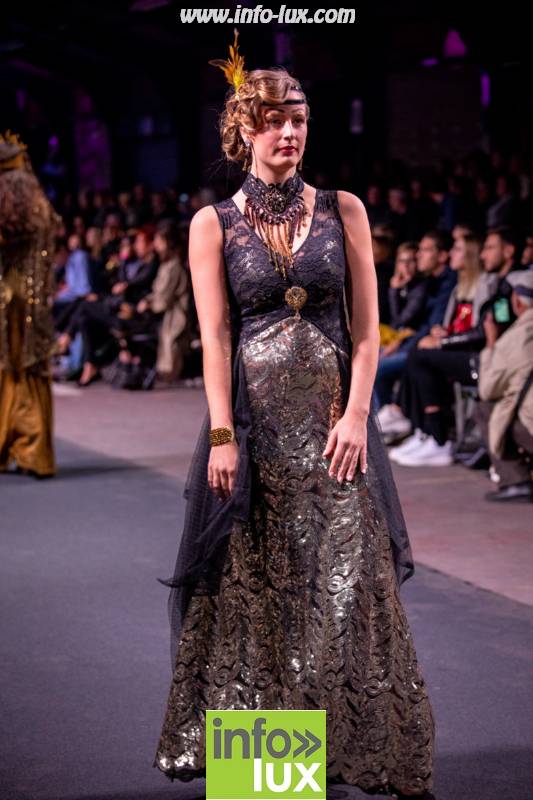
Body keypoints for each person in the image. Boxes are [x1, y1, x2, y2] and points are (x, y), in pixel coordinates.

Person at [152, 42, 435, 800]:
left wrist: (356, 416)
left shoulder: (345, 209)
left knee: (350, 587)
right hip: (254, 433)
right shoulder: (212, 223)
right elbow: (215, 337)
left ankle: (363, 751)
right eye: (273, 120)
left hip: (336, 434)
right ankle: (270, 774)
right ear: (243, 131)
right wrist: (221, 433)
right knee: (256, 590)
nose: (289, 132)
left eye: (299, 119)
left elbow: (368, 333)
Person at [0, 132, 61, 477]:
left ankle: (15, 443)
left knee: (10, 370)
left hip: (10, 298)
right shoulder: (39, 206)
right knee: (33, 371)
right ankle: (34, 451)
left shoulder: (6, 208)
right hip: (36, 301)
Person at [474, 270, 533, 502]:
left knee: (486, 408)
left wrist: (491, 344)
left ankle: (515, 481)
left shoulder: (516, 338)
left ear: (517, 301)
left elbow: (487, 389)